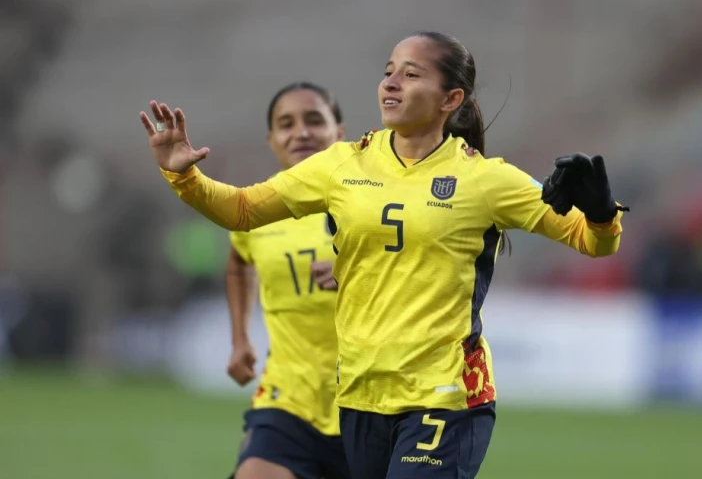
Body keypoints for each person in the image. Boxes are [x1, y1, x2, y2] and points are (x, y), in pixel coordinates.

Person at [141, 31, 625, 479]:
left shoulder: (486, 180)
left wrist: (603, 215)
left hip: (445, 395)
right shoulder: (341, 165)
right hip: (361, 394)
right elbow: (243, 210)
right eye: (389, 71)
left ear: (450, 99)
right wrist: (185, 176)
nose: (391, 83)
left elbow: (591, 241)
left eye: (411, 74)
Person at [223, 82, 350, 479]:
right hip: (288, 399)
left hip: (373, 405)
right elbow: (239, 262)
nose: (301, 132)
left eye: (314, 120)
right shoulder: (257, 209)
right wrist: (240, 338)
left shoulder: (372, 203)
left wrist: (359, 271)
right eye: (286, 124)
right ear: (272, 139)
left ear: (339, 133)